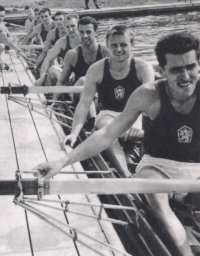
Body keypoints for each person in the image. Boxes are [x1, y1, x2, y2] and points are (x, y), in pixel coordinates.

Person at [34, 31, 200, 255]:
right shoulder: (148, 95)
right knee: (155, 195)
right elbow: (106, 135)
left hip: (196, 169)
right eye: (176, 69)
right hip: (158, 168)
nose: (185, 76)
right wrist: (62, 162)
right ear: (162, 71)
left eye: (190, 67)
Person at [64, 25, 155, 178]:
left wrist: (138, 122)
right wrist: (74, 133)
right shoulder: (96, 69)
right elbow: (85, 104)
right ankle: (127, 176)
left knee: (152, 130)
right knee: (106, 127)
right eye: (114, 45)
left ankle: (146, 166)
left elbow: (150, 104)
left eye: (123, 45)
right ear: (107, 46)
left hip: (137, 113)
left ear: (132, 45)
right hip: (109, 115)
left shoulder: (143, 67)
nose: (118, 49)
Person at [52, 16, 109, 102]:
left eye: (88, 32)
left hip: (100, 93)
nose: (84, 36)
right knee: (83, 80)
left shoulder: (105, 51)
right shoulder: (72, 54)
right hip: (79, 93)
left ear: (95, 33)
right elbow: (62, 81)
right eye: (81, 32)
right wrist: (54, 101)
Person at [35, 14, 80, 86]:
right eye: (67, 27)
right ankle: (67, 91)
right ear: (64, 27)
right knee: (52, 69)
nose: (70, 30)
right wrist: (42, 77)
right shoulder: (62, 41)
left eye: (73, 26)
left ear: (78, 26)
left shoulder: (85, 40)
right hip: (69, 75)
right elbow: (48, 59)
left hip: (84, 76)